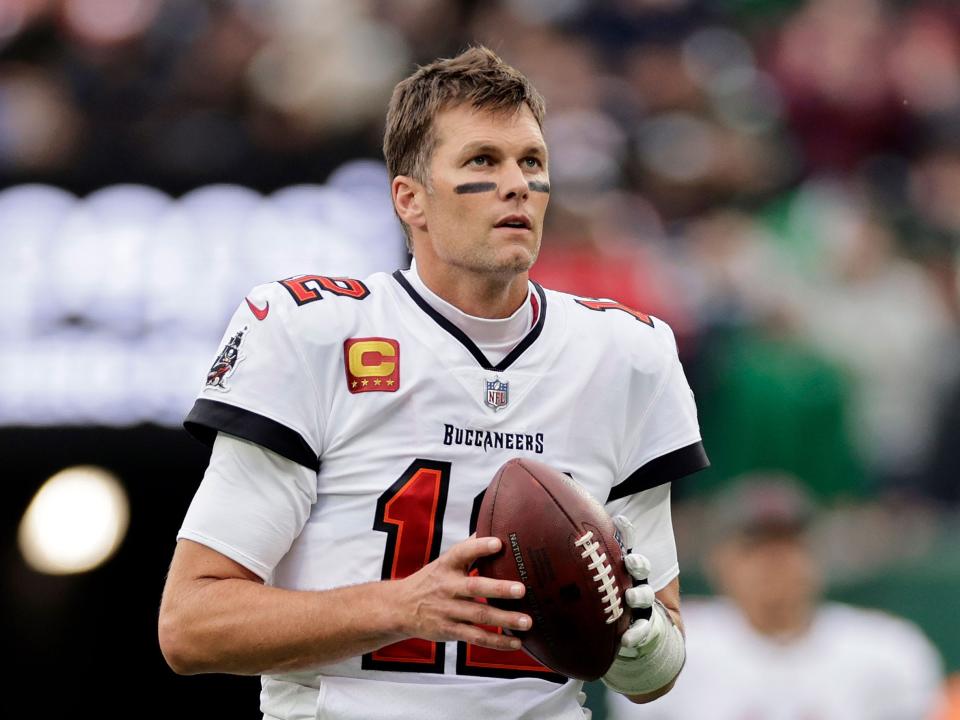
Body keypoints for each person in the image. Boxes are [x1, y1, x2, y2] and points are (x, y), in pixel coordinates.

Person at [157, 46, 708, 720]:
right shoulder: (315, 332)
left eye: (531, 162)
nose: (517, 185)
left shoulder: (626, 353)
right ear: (409, 198)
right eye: (483, 161)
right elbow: (191, 626)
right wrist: (402, 605)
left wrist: (635, 635)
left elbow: (656, 675)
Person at [607, 473, 944, 720]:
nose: (775, 562)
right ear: (719, 561)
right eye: (756, 547)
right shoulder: (675, 644)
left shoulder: (888, 649)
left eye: (790, 545)